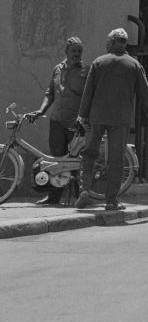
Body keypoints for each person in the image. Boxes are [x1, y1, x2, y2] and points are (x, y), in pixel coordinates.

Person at [74, 28, 148, 211]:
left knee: (89, 154)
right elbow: (145, 93)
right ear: (123, 43)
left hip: (97, 116)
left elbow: (88, 92)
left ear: (112, 42)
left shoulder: (99, 62)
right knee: (116, 159)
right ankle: (111, 201)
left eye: (107, 41)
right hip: (120, 119)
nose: (106, 44)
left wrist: (82, 115)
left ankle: (85, 190)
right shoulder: (134, 65)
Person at [27, 36, 87, 205]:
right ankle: (54, 197)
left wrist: (83, 118)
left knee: (75, 161)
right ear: (66, 52)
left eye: (79, 51)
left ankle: (80, 197)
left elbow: (89, 97)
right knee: (57, 160)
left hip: (76, 124)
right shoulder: (57, 69)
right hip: (57, 121)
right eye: (73, 51)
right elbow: (49, 93)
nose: (77, 54)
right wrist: (40, 111)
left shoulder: (86, 71)